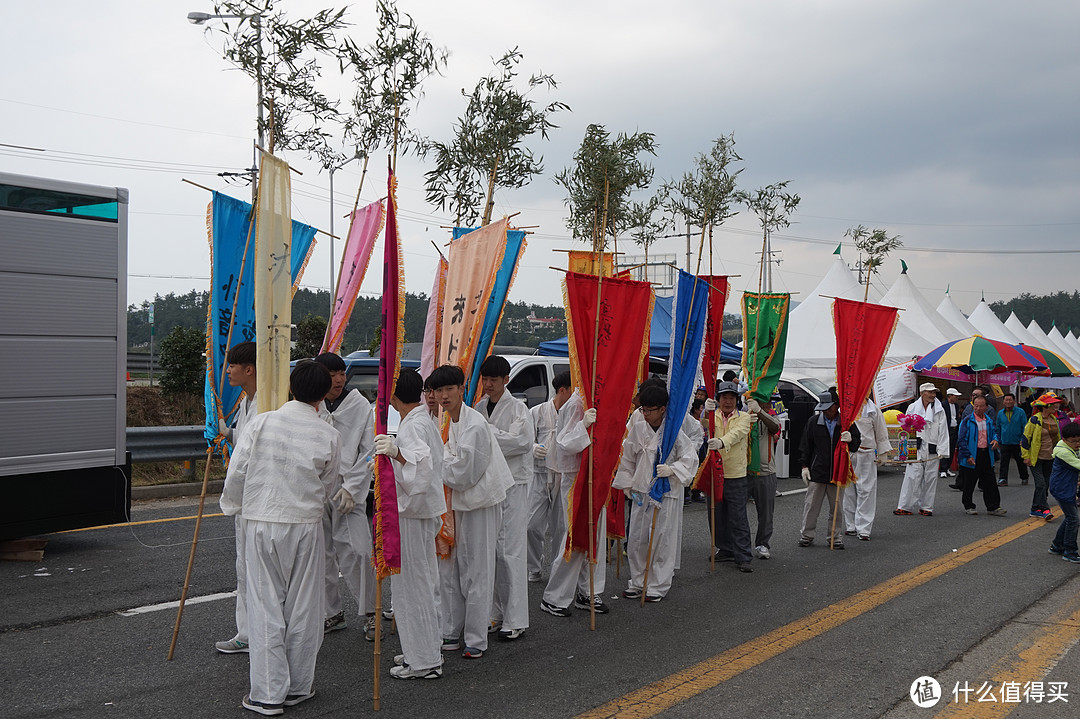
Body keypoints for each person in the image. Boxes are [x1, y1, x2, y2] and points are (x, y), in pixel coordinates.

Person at [219, 360, 341, 716]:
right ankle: (298, 686)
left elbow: (238, 471)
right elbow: (330, 485)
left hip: (262, 519)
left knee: (265, 605)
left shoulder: (262, 422)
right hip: (305, 524)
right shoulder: (329, 434)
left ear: (291, 388)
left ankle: (268, 693)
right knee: (304, 606)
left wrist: (236, 505)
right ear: (322, 396)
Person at [428, 364, 513, 660]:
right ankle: (453, 631)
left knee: (477, 568)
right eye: (438, 390)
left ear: (461, 389)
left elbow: (465, 472)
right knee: (452, 569)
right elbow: (455, 465)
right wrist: (445, 460)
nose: (443, 395)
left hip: (480, 503)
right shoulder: (452, 420)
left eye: (449, 389)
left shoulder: (474, 424)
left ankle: (476, 637)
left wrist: (438, 461)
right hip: (458, 502)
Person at [374, 368, 447, 680]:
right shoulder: (421, 420)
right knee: (423, 584)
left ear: (392, 394)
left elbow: (422, 465)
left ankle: (425, 661)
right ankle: (424, 647)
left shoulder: (411, 427)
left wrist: (397, 454)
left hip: (413, 513)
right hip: (421, 511)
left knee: (412, 588)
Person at [310, 353, 377, 639]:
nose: (339, 379)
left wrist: (353, 486)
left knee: (358, 551)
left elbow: (368, 451)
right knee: (320, 554)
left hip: (348, 488)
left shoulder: (360, 406)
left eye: (341, 373)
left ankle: (372, 611)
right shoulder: (312, 405)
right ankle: (331, 612)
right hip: (316, 488)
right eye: (332, 373)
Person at [612, 383, 697, 601]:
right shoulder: (638, 428)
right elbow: (628, 458)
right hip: (641, 489)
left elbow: (689, 458)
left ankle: (658, 585)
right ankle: (638, 581)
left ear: (662, 409)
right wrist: (628, 485)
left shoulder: (673, 431)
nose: (645, 414)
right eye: (643, 409)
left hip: (666, 492)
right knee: (638, 538)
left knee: (662, 539)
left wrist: (673, 469)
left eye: (649, 410)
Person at [474, 355, 534, 641]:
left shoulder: (519, 409)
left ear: (506, 380)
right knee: (492, 553)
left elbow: (521, 443)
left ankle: (516, 618)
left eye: (493, 380)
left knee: (511, 552)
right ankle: (495, 613)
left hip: (514, 486)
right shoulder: (479, 407)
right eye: (485, 379)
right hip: (490, 486)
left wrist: (487, 432)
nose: (488, 385)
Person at [540, 377, 608, 616]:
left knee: (595, 538)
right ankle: (554, 597)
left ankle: (589, 591)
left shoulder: (603, 397)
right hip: (576, 478)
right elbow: (565, 442)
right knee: (574, 538)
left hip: (598, 476)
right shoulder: (577, 401)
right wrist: (583, 427)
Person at [216, 341, 258, 655]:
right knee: (243, 567)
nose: (227, 371)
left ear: (249, 369)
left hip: (258, 500)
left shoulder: (268, 404)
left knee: (260, 572)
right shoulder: (246, 402)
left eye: (231, 365)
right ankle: (246, 632)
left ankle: (263, 634)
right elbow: (243, 442)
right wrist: (223, 432)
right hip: (244, 501)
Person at [798, 389, 861, 548]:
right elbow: (806, 445)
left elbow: (856, 444)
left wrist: (850, 439)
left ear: (837, 405)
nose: (826, 411)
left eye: (829, 407)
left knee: (837, 508)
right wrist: (805, 466)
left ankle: (835, 537)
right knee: (811, 506)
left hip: (838, 471)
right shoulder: (813, 422)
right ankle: (807, 535)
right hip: (817, 471)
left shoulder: (847, 423)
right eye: (823, 408)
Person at [704, 381, 755, 572]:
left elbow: (737, 434)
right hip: (713, 473)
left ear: (737, 400)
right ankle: (725, 549)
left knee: (738, 517)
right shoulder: (711, 416)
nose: (728, 401)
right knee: (716, 515)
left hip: (735, 474)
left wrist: (721, 442)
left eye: (732, 398)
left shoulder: (743, 417)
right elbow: (695, 426)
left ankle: (743, 556)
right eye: (724, 397)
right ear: (718, 399)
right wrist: (702, 413)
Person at [527, 372, 571, 583]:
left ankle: (556, 568)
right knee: (531, 525)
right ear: (562, 390)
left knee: (561, 527)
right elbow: (524, 439)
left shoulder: (574, 414)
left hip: (563, 475)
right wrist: (532, 447)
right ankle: (534, 565)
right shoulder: (537, 412)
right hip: (539, 474)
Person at [895, 383, 950, 517]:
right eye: (930, 392)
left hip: (932, 445)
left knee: (930, 477)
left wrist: (942, 449)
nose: (933, 395)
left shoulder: (939, 409)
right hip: (916, 444)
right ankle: (905, 506)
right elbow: (905, 428)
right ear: (922, 393)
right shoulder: (912, 407)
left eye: (934, 392)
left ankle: (926, 506)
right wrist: (904, 449)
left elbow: (943, 430)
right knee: (912, 475)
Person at [842, 397, 891, 541]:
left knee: (866, 490)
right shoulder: (844, 407)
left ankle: (863, 528)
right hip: (848, 453)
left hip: (867, 453)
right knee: (848, 491)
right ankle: (850, 525)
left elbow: (881, 432)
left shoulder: (873, 409)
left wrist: (883, 453)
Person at [957, 395, 1006, 516]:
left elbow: (995, 433)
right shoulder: (967, 420)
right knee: (969, 483)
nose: (978, 408)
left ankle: (993, 507)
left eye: (981, 406)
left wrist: (995, 440)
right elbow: (961, 440)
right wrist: (968, 455)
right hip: (972, 454)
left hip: (986, 454)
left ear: (986, 407)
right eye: (976, 406)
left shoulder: (988, 420)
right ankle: (968, 505)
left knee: (990, 482)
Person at [747, 396, 782, 557]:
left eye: (770, 400)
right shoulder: (744, 414)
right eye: (765, 400)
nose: (769, 403)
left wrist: (760, 411)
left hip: (766, 471)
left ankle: (762, 544)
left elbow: (775, 427)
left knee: (766, 513)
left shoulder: (772, 417)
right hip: (744, 472)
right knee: (737, 512)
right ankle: (740, 545)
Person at [1021, 393, 1061, 521]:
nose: (1055, 406)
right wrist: (1025, 456)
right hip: (1036, 458)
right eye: (1052, 405)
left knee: (1045, 484)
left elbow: (1057, 439)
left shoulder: (1054, 419)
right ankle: (1045, 509)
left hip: (1050, 457)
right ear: (1045, 406)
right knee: (1041, 484)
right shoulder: (1034, 419)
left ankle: (1035, 508)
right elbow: (1025, 439)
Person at [1047, 423, 1080, 563]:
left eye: (1079, 440)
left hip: (1067, 487)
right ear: (1065, 440)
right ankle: (1070, 551)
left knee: (1069, 517)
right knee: (1074, 519)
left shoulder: (1069, 447)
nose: (1077, 444)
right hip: (1062, 489)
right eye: (1074, 442)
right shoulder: (1063, 452)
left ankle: (1057, 545)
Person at [995, 392, 1029, 487]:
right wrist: (998, 439)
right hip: (1005, 441)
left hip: (1018, 441)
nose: (1008, 402)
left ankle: (1024, 477)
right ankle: (1003, 478)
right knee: (1004, 461)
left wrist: (1023, 439)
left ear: (1014, 401)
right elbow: (998, 427)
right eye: (1006, 400)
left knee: (1020, 461)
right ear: (1003, 402)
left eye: (1010, 400)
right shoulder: (1000, 413)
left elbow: (1025, 426)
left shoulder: (1020, 412)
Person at [940, 388, 962, 480]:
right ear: (949, 396)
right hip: (946, 428)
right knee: (945, 448)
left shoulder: (956, 406)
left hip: (954, 428)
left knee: (952, 449)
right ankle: (942, 469)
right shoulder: (943, 405)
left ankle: (947, 468)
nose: (957, 398)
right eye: (955, 396)